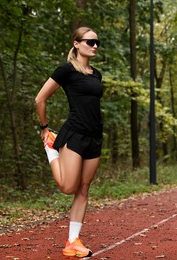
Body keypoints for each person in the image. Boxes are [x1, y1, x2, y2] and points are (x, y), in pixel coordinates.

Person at [35, 27, 103, 258]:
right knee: (68, 187)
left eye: (97, 42)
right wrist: (44, 128)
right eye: (90, 41)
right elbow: (40, 98)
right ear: (76, 43)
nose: (94, 46)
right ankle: (50, 148)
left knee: (84, 188)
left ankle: (72, 241)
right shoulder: (66, 70)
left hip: (95, 136)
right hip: (74, 134)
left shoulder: (96, 74)